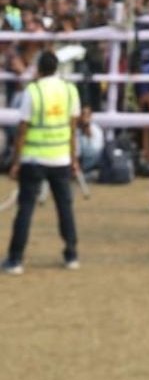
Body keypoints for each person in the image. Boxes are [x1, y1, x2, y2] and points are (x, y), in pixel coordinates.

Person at [2, 52, 82, 275]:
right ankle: (71, 253)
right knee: (64, 207)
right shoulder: (69, 91)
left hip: (34, 157)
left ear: (39, 68)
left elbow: (22, 129)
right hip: (60, 157)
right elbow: (73, 127)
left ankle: (16, 258)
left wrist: (15, 161)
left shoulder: (33, 91)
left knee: (25, 209)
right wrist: (73, 157)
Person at [76, 105, 105, 181]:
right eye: (83, 114)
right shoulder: (75, 131)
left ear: (91, 116)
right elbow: (76, 154)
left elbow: (96, 150)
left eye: (87, 115)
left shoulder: (96, 130)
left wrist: (89, 135)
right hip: (79, 165)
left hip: (94, 164)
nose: (85, 117)